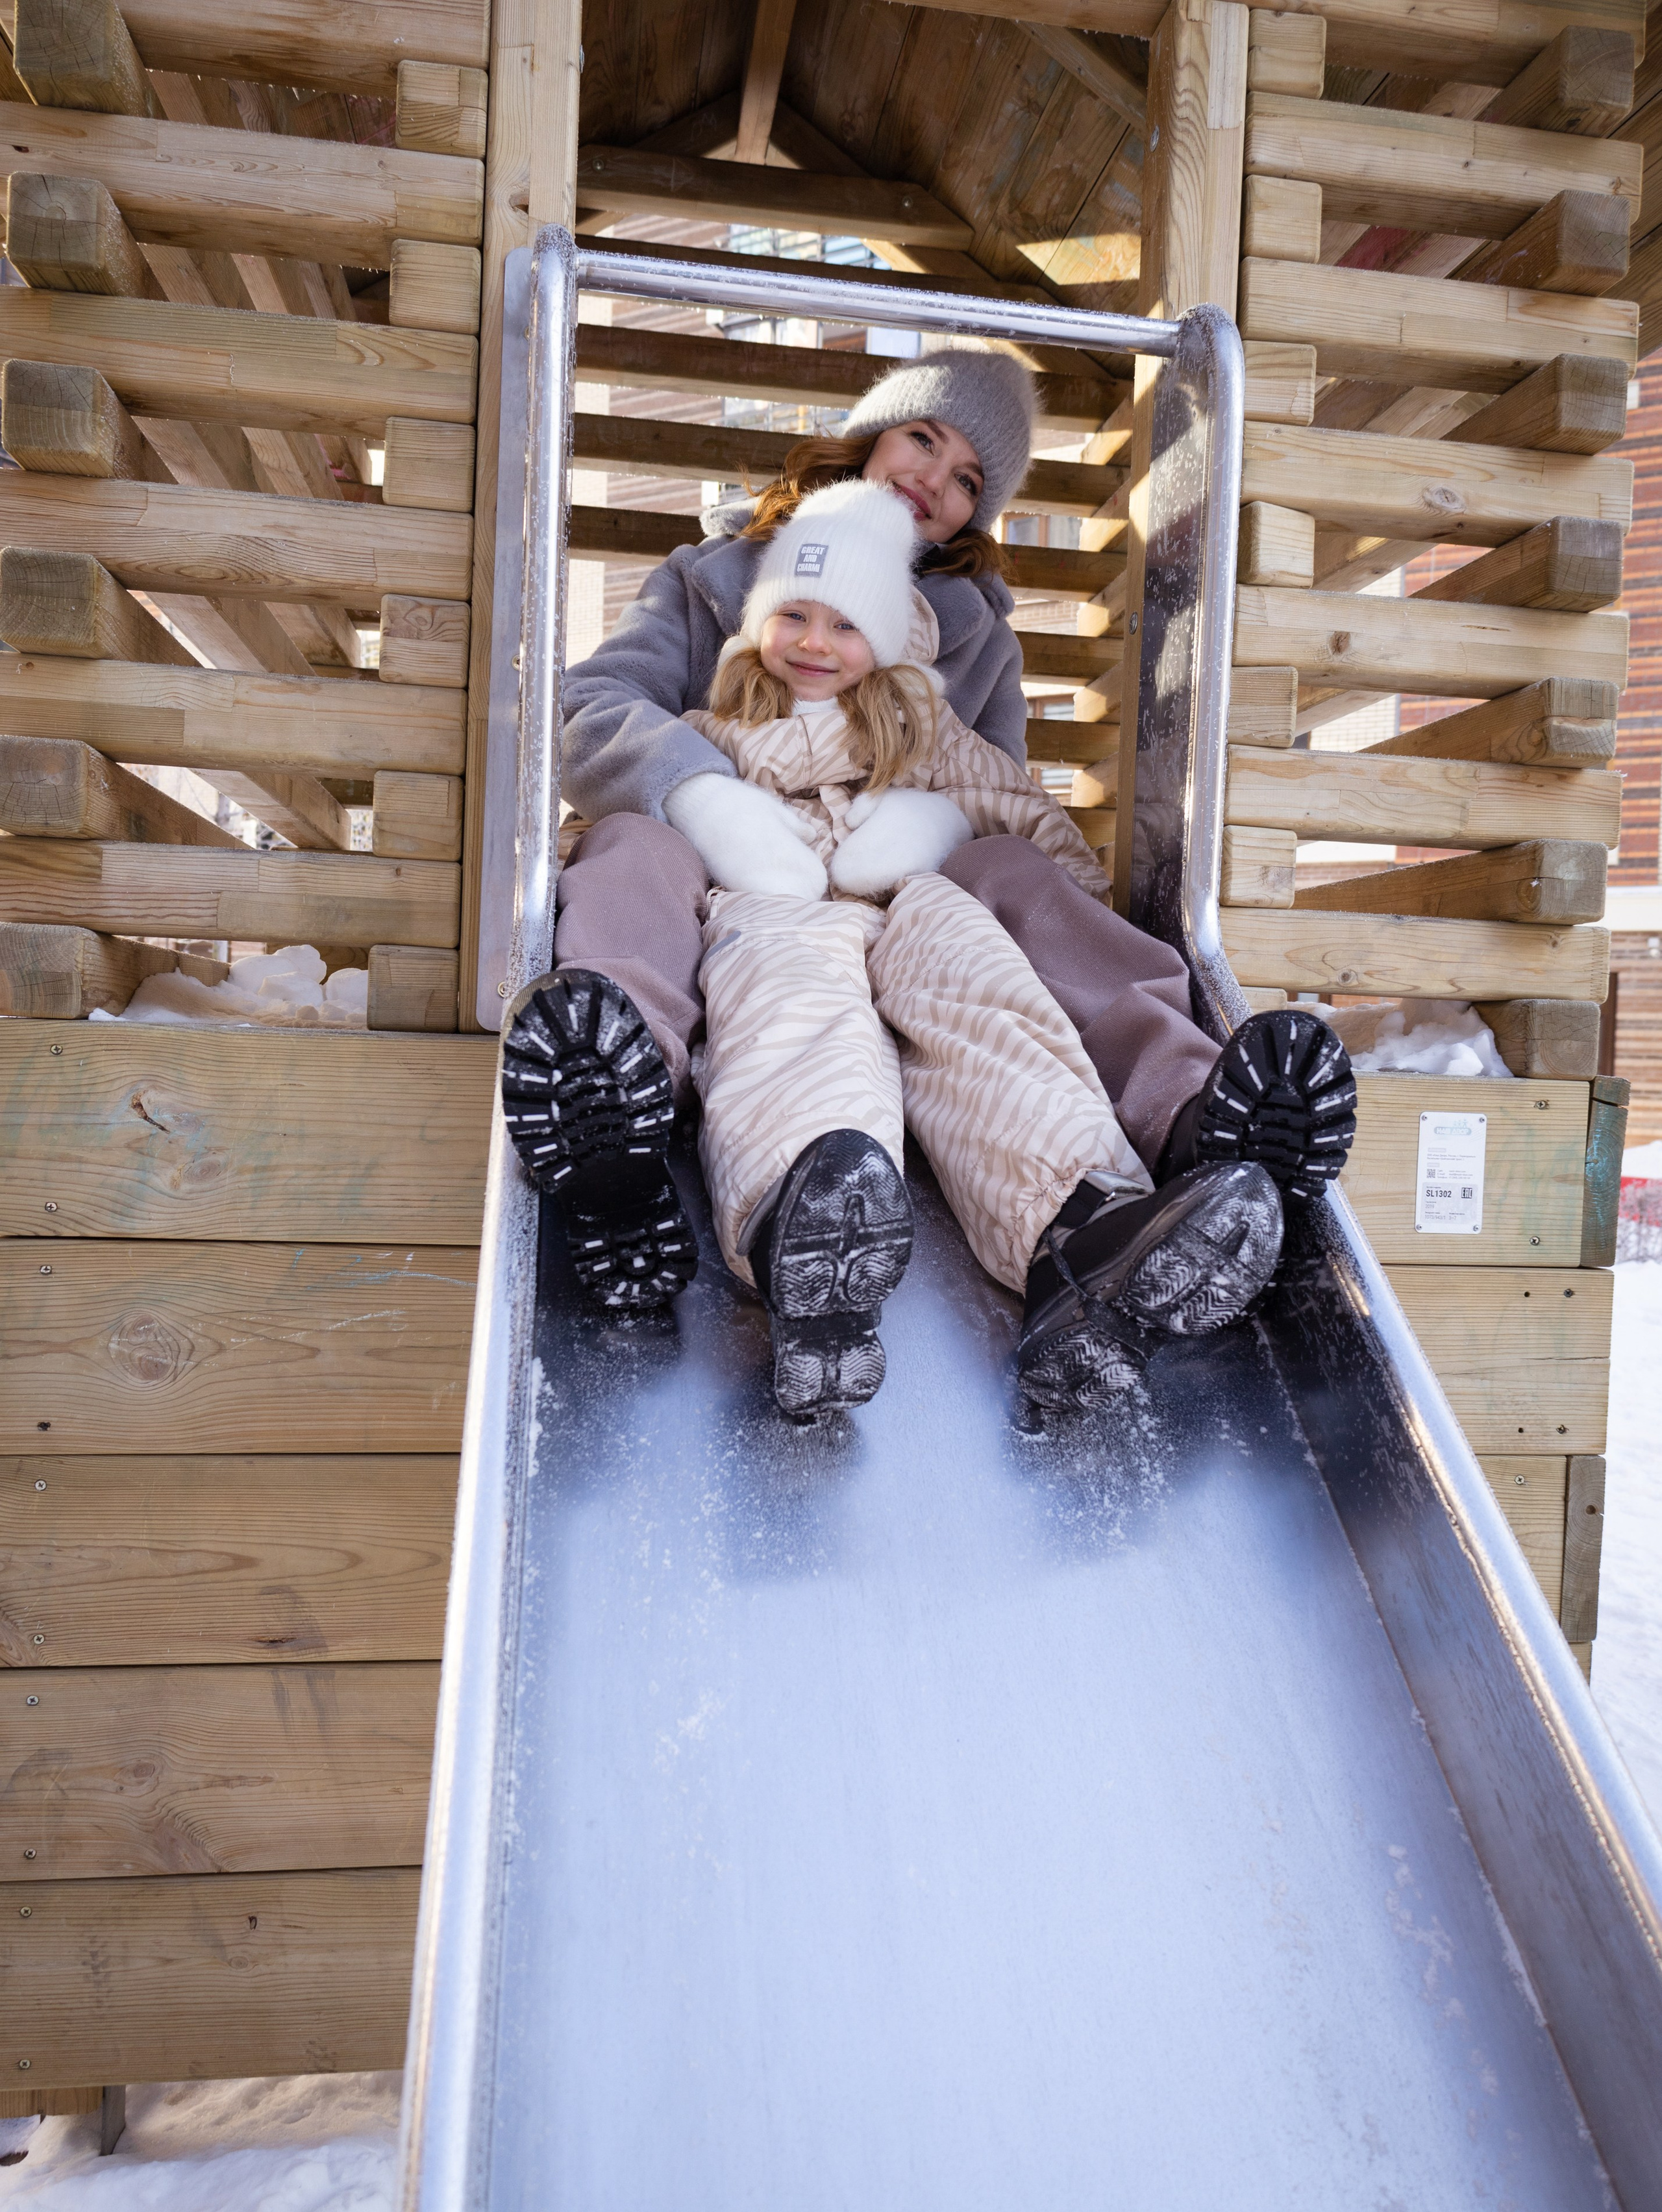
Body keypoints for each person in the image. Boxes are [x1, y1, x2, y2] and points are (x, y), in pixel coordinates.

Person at [501, 345, 1357, 1377]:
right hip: (738, 884)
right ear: (873, 429)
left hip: (904, 897)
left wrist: (936, 829)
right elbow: (591, 711)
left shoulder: (977, 639)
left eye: (968, 482)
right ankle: (615, 1091)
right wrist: (706, 795)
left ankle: (1188, 1119)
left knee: (1009, 885)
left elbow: (1003, 793)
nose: (935, 485)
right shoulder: (713, 582)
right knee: (637, 846)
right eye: (924, 440)